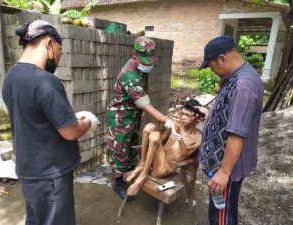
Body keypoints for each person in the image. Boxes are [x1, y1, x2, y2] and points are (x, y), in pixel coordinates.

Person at [2, 20, 99, 225]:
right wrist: (88, 121)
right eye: (60, 49)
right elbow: (70, 132)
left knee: (37, 219)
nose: (60, 56)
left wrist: (70, 117)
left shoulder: (11, 77)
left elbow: (33, 117)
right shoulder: (45, 81)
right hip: (50, 174)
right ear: (48, 44)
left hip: (28, 169)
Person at [196, 36, 264, 225]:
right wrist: (211, 115)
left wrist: (224, 172)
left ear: (222, 58)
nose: (213, 71)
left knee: (222, 218)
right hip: (222, 164)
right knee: (222, 213)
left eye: (211, 66)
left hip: (227, 167)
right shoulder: (236, 77)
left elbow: (237, 134)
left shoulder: (243, 86)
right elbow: (231, 112)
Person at [107, 36, 180, 200]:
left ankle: (131, 174)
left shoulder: (141, 70)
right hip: (121, 118)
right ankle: (118, 182)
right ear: (135, 56)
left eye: (150, 62)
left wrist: (158, 122)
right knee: (119, 149)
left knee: (132, 146)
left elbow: (145, 98)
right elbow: (146, 106)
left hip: (133, 115)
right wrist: (167, 121)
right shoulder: (130, 75)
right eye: (145, 62)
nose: (148, 65)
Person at [126, 99, 203, 196]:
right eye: (182, 114)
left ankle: (143, 175)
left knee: (155, 136)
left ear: (198, 119)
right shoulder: (177, 125)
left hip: (164, 168)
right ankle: (142, 164)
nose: (183, 117)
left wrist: (179, 132)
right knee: (150, 126)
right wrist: (160, 123)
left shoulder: (198, 137)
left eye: (187, 115)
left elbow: (184, 154)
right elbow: (160, 139)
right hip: (157, 159)